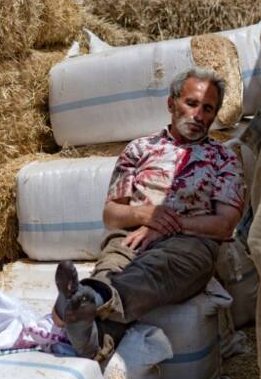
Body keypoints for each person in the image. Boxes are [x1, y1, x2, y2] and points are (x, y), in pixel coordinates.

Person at [53, 67, 244, 361]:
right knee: (113, 264)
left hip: (190, 243)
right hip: (131, 235)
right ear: (171, 104)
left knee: (154, 270)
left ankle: (89, 298)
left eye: (208, 108)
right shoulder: (139, 149)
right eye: (191, 103)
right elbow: (112, 215)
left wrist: (171, 224)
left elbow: (225, 224)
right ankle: (91, 339)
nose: (199, 115)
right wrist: (145, 215)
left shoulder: (224, 158)